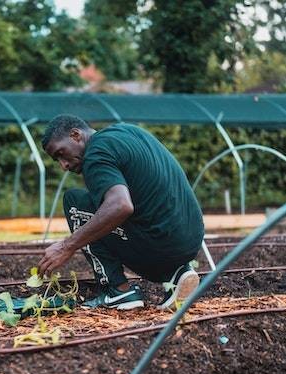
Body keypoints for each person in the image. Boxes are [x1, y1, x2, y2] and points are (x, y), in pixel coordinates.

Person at [37, 115, 204, 310]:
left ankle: (117, 290)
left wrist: (67, 246)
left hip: (161, 248)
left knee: (74, 202)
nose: (63, 165)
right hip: (190, 242)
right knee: (106, 207)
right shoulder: (127, 132)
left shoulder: (95, 154)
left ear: (76, 135)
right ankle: (177, 274)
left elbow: (121, 205)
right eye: (57, 160)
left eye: (61, 153)